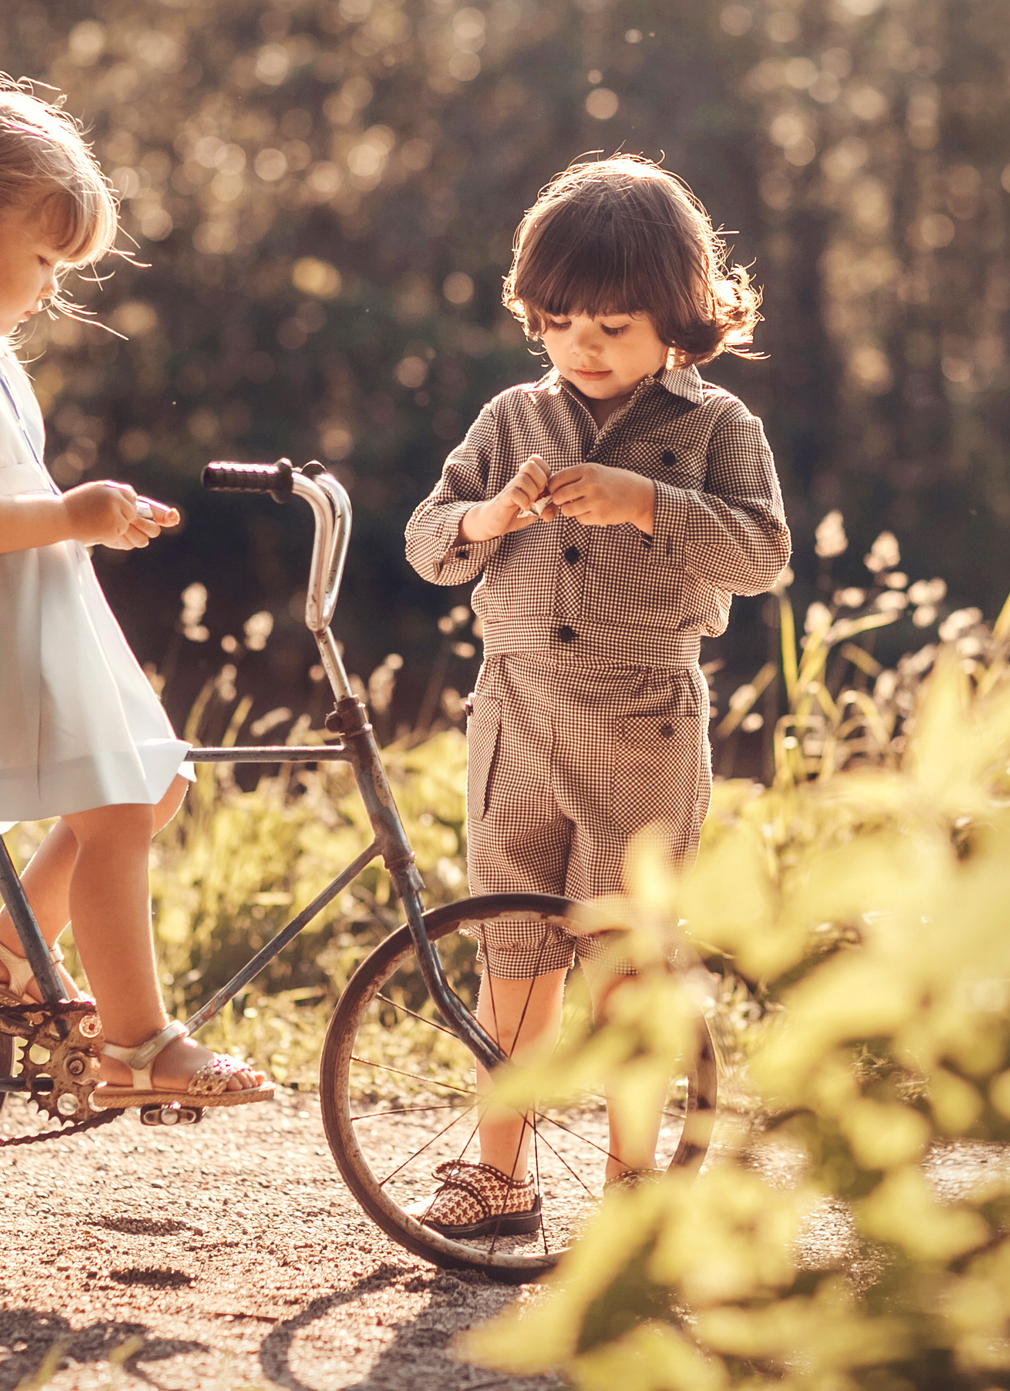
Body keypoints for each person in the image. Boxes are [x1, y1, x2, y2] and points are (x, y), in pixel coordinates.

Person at [0, 74, 270, 1111]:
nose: (48, 291)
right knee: (117, 804)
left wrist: (90, 518)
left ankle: (4, 953)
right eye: (42, 262)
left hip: (21, 622)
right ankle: (138, 1044)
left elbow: (9, 501)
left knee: (155, 781)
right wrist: (72, 515)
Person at [403, 154, 791, 1235]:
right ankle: (497, 1172)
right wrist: (486, 525)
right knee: (511, 949)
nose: (583, 344)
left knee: (626, 960)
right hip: (511, 714)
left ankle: (630, 1181)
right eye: (560, 320)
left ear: (677, 317)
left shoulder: (718, 430)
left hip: (640, 721)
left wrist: (646, 503)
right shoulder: (510, 419)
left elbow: (762, 553)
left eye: (613, 325)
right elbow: (427, 539)